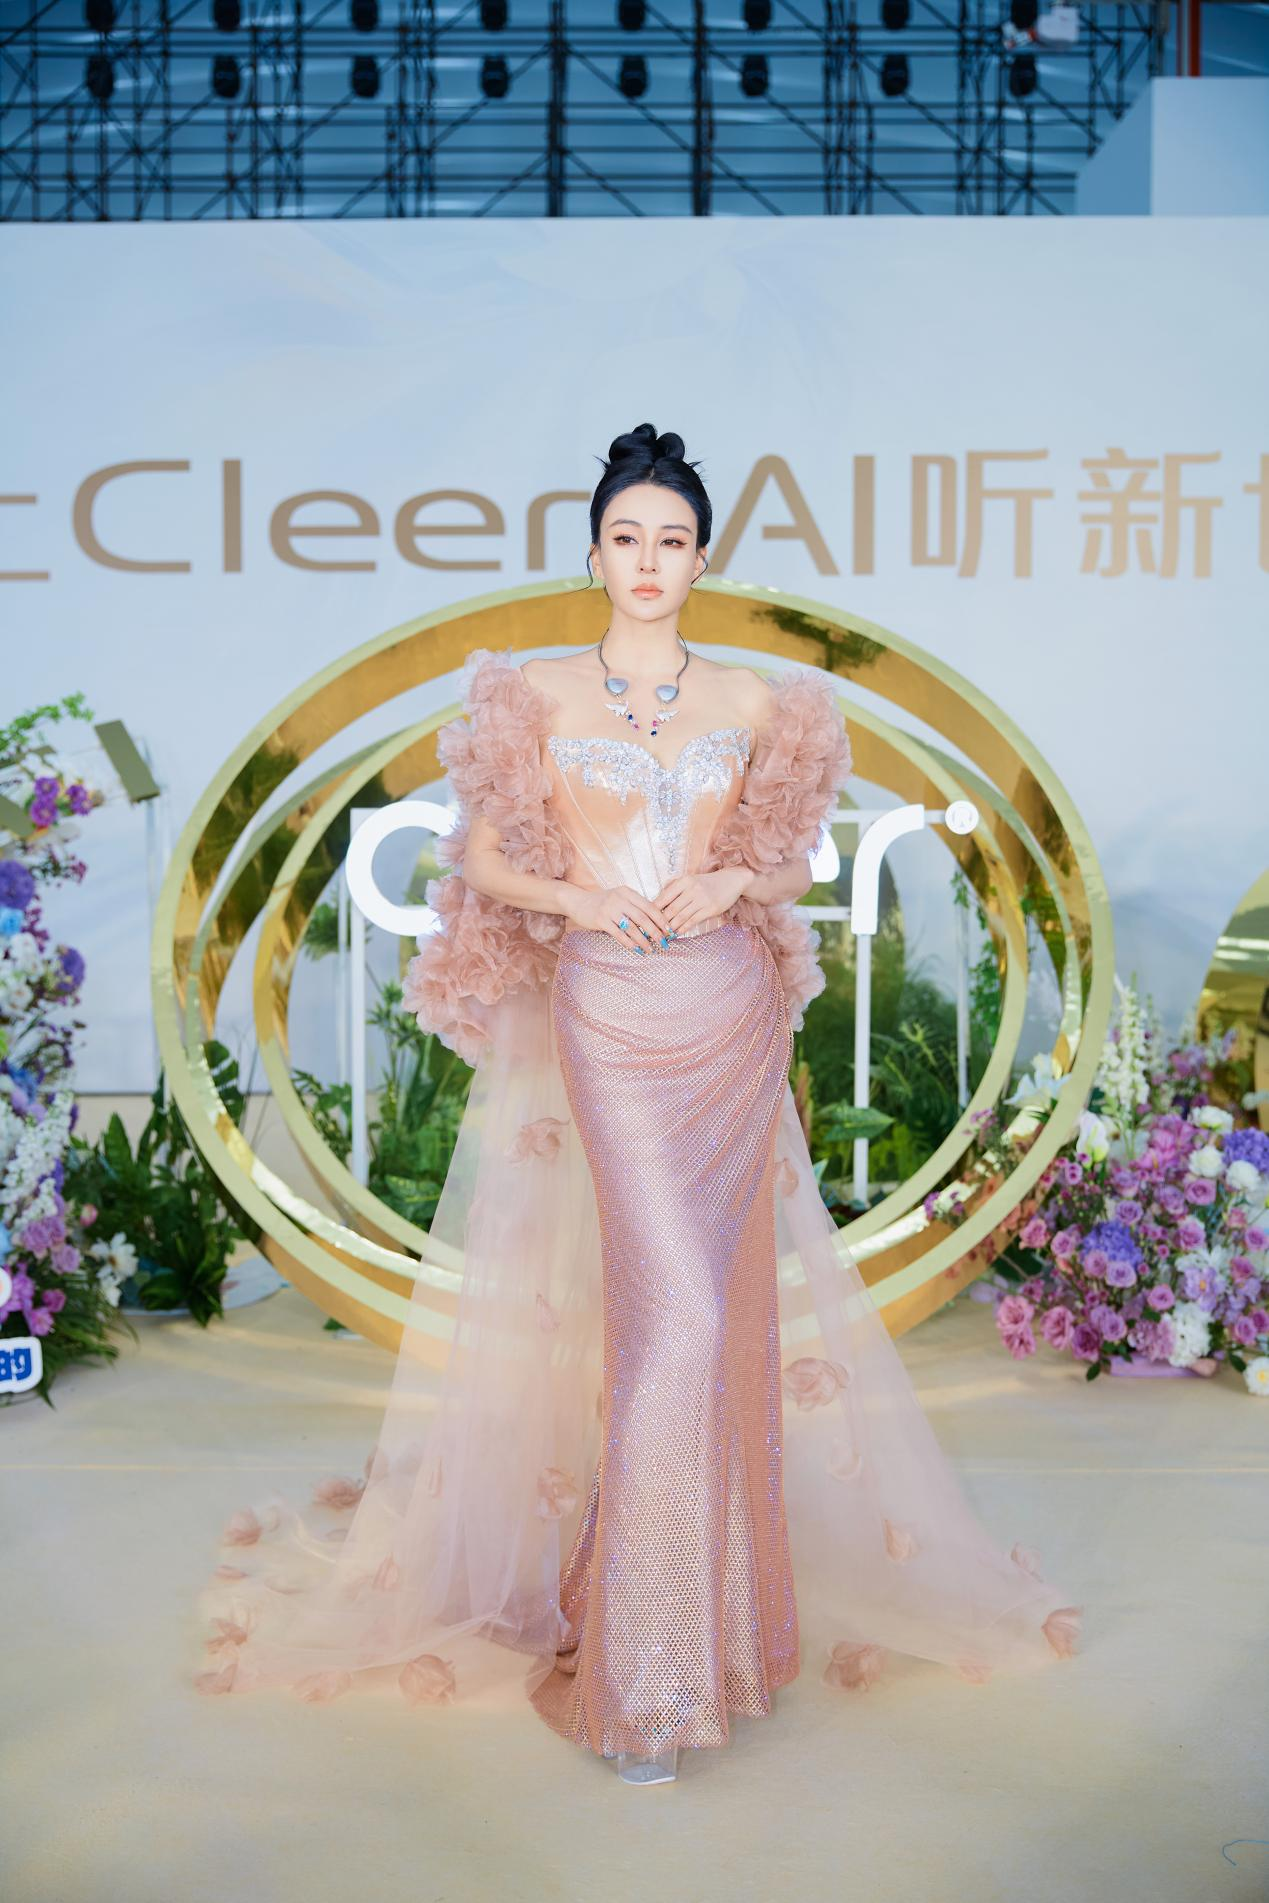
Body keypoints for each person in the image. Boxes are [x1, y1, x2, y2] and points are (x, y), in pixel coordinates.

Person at [194, 424, 1082, 1785]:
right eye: (628, 537)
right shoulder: (535, 694)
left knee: (719, 1326)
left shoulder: (755, 702)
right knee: (676, 1321)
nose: (650, 559)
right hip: (606, 1011)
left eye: (673, 539)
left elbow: (789, 860)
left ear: (702, 557)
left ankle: (703, 1631)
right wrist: (580, 897)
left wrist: (733, 882)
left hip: (727, 1013)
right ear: (595, 551)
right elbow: (488, 859)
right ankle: (644, 1673)